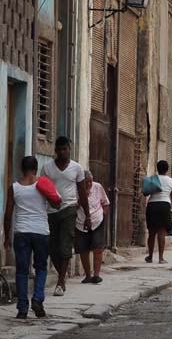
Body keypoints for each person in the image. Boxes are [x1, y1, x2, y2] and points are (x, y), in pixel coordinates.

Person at [3, 156, 61, 318]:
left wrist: (7, 237)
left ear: (22, 169)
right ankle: (37, 300)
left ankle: (22, 308)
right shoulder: (43, 185)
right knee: (41, 267)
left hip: (21, 232)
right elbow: (57, 204)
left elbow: (8, 215)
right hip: (41, 232)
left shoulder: (14, 188)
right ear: (36, 169)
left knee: (21, 271)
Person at [41, 136, 90, 295]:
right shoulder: (47, 168)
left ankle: (60, 282)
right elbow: (42, 189)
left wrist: (87, 216)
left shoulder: (76, 168)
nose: (63, 152)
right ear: (55, 151)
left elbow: (82, 193)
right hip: (51, 211)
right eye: (60, 149)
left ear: (69, 149)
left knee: (65, 245)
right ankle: (62, 274)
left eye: (65, 149)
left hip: (69, 209)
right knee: (52, 248)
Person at [75, 170, 110, 284]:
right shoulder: (76, 189)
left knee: (98, 247)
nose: (89, 184)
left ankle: (96, 274)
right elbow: (74, 206)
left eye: (90, 181)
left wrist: (103, 214)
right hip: (80, 222)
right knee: (83, 249)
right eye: (86, 182)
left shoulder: (97, 187)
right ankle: (88, 275)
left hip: (97, 220)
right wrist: (82, 197)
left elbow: (105, 203)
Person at [145, 160, 172, 264]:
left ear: (157, 168)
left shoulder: (152, 179)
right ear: (167, 169)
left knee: (151, 233)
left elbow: (145, 193)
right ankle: (161, 258)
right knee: (161, 233)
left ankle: (150, 256)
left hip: (152, 205)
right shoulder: (171, 181)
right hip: (164, 205)